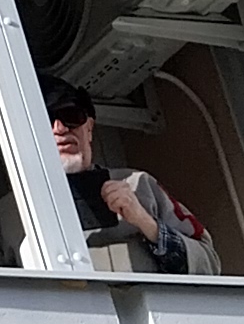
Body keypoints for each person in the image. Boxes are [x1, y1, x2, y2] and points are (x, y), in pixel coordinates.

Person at [46, 76, 219, 274]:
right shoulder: (18, 209)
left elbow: (209, 263)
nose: (60, 129)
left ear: (89, 128)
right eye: (45, 120)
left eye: (70, 116)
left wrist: (144, 221)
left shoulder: (138, 184)